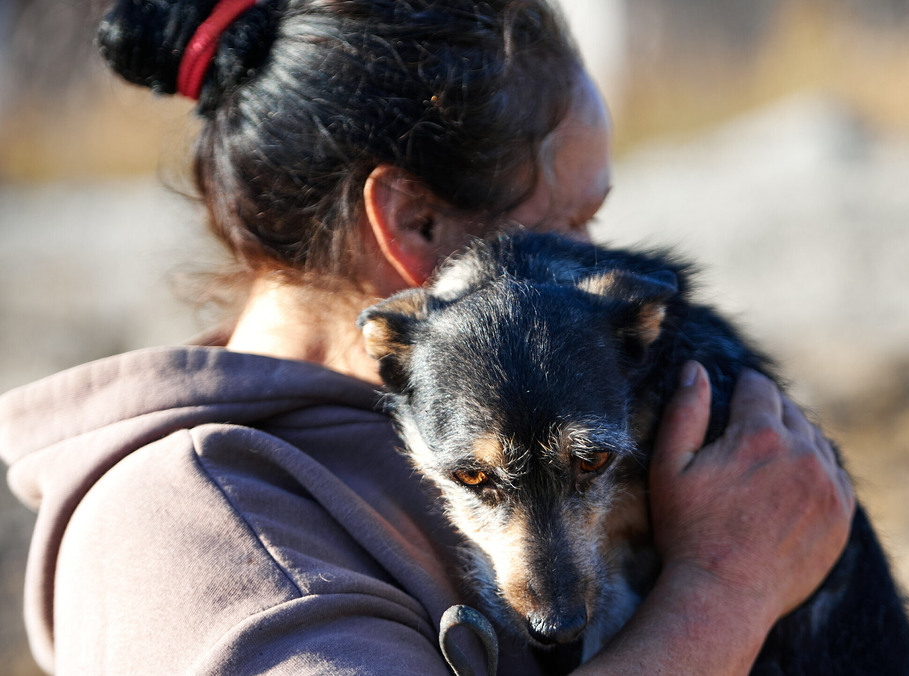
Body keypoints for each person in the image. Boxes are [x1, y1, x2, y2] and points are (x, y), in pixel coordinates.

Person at [0, 0, 855, 673]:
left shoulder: (436, 419)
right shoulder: (206, 536)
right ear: (414, 222)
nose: (600, 262)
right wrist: (727, 593)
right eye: (573, 221)